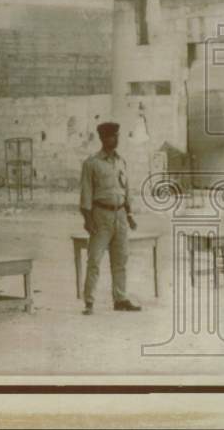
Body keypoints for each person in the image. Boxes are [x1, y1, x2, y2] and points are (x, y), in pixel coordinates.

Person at [79, 121, 141, 315]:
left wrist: (130, 215)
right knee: (94, 260)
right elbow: (86, 194)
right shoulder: (92, 163)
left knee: (120, 260)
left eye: (117, 135)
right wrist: (88, 221)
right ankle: (89, 302)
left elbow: (126, 190)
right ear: (103, 138)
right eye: (112, 136)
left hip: (120, 215)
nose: (116, 139)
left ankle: (120, 299)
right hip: (101, 216)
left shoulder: (121, 162)